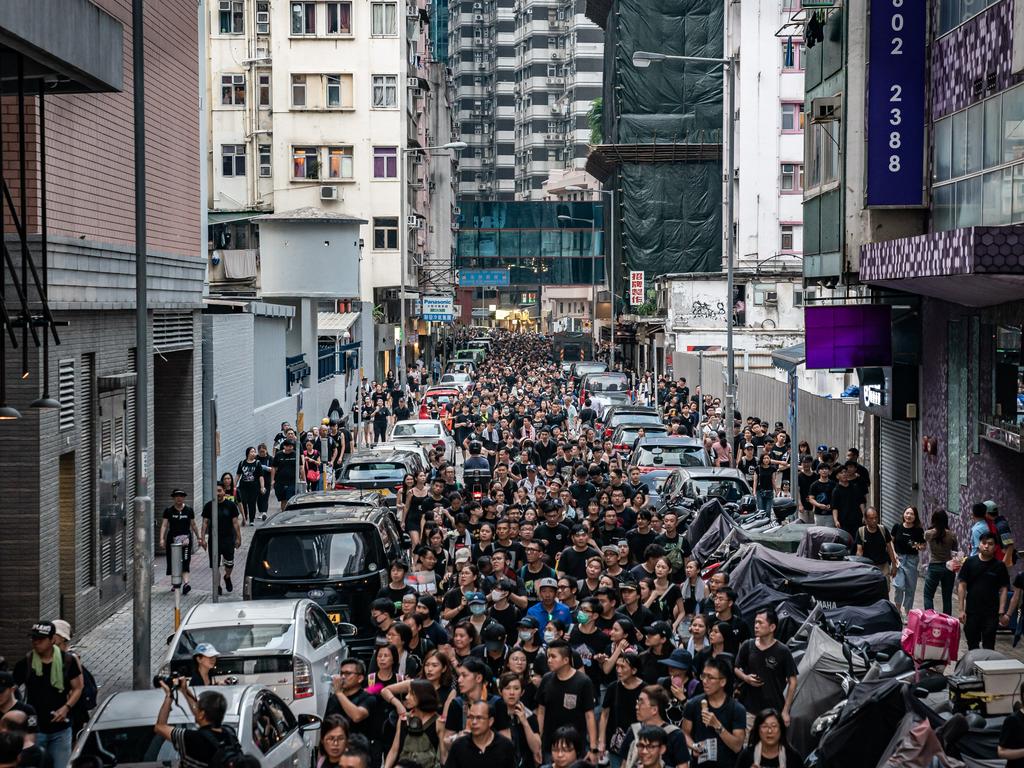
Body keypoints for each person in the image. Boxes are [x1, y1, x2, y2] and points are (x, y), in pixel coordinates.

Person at [12, 621, 83, 768]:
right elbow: (10, 689)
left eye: (40, 639)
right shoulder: (26, 663)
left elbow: (78, 687)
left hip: (61, 729)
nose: (36, 642)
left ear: (52, 640)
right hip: (35, 729)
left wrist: (66, 708)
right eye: (33, 638)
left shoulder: (67, 661)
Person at [153, 681, 241, 768]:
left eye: (197, 707)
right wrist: (185, 691)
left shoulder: (190, 738)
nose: (195, 709)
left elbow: (160, 727)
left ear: (202, 714)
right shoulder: (230, 733)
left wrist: (169, 696)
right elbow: (200, 714)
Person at [734, 610, 798, 728]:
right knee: (749, 745)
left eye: (760, 623)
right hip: (749, 710)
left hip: (774, 710)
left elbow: (793, 681)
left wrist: (785, 711)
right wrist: (746, 678)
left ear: (772, 627)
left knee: (772, 744)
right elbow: (736, 668)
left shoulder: (783, 651)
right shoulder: (748, 645)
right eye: (755, 622)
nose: (756, 626)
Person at [535, 641, 599, 761]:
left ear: (566, 660)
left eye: (553, 656)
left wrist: (593, 747)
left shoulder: (583, 682)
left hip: (575, 747)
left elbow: (589, 716)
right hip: (550, 745)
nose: (549, 660)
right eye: (548, 656)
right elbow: (541, 712)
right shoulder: (546, 679)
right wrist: (538, 742)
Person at [681, 657, 746, 768]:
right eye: (703, 676)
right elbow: (684, 733)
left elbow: (737, 746)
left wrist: (717, 725)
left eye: (710, 678)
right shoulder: (693, 704)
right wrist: (694, 746)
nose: (705, 681)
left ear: (722, 682)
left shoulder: (737, 709)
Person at [957, 531, 1011, 650]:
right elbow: (962, 585)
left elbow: (1003, 589)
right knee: (972, 645)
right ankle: (973, 668)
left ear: (995, 547)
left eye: (990, 544)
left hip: (991, 613)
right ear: (979, 544)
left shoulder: (999, 566)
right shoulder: (970, 562)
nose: (986, 546)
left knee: (989, 646)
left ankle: (987, 668)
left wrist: (1001, 612)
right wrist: (961, 610)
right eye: (984, 543)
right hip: (972, 612)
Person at [385, 679, 442, 768]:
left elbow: (442, 755)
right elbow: (394, 750)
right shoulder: (404, 719)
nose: (407, 697)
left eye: (411, 693)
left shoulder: (438, 722)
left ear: (423, 696)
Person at [445, 699, 517, 768]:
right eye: (471, 717)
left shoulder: (505, 746)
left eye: (479, 718)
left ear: (490, 721)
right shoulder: (458, 746)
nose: (474, 722)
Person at [202, 482, 242, 594]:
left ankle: (227, 577)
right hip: (214, 540)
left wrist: (239, 538)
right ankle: (217, 586)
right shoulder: (209, 506)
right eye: (215, 491)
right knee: (215, 565)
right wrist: (202, 539)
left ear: (224, 491)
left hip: (228, 539)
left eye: (219, 491)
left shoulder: (231, 505)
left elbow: (235, 523)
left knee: (229, 563)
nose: (217, 493)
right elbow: (205, 523)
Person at [160, 489, 201, 594]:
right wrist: (162, 539)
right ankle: (175, 583)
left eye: (181, 496)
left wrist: (199, 537)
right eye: (177, 496)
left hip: (186, 540)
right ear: (173, 498)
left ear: (184, 498)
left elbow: (193, 525)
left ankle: (186, 584)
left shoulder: (189, 510)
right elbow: (164, 525)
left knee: (185, 561)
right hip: (172, 540)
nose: (179, 498)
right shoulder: (168, 511)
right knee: (174, 561)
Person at [734, 709, 805, 768]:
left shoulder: (793, 757)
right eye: (765, 726)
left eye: (774, 726)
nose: (770, 731)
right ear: (758, 730)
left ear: (781, 729)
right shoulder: (746, 756)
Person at [891, 506, 926, 615]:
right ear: (903, 514)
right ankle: (897, 611)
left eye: (912, 514)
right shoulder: (897, 527)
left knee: (910, 588)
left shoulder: (918, 530)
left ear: (915, 517)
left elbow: (923, 546)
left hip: (912, 560)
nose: (909, 516)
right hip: (899, 559)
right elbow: (890, 542)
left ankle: (908, 612)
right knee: (899, 586)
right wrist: (894, 554)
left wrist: (917, 546)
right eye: (907, 513)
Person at [923, 509, 958, 615]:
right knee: (947, 597)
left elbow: (924, 541)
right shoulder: (952, 535)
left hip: (934, 567)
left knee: (928, 595)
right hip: (949, 568)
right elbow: (955, 551)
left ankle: (930, 619)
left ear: (933, 520)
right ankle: (947, 623)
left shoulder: (928, 534)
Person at [854, 507, 898, 581]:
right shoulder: (861, 531)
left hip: (883, 566)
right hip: (867, 567)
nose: (874, 520)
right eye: (871, 518)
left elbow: (889, 548)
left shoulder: (883, 529)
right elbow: (859, 551)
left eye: (876, 518)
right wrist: (858, 567)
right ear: (865, 519)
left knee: (885, 589)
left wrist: (894, 565)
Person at [235, 446, 266, 525]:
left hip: (254, 487)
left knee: (252, 503)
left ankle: (251, 520)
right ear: (247, 453)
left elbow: (261, 476)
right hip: (243, 486)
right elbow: (238, 475)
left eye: (254, 452)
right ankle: (245, 517)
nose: (253, 453)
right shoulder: (242, 463)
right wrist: (234, 485)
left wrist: (262, 487)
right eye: (252, 451)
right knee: (243, 502)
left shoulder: (257, 463)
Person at [270, 438, 298, 510]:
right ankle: (284, 515)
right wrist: (272, 480)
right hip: (280, 481)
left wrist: (303, 479)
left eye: (292, 446)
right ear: (284, 446)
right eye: (289, 446)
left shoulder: (295, 454)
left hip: (292, 481)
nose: (291, 448)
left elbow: (300, 468)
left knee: (290, 499)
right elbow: (273, 467)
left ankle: (291, 515)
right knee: (283, 500)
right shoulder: (279, 455)